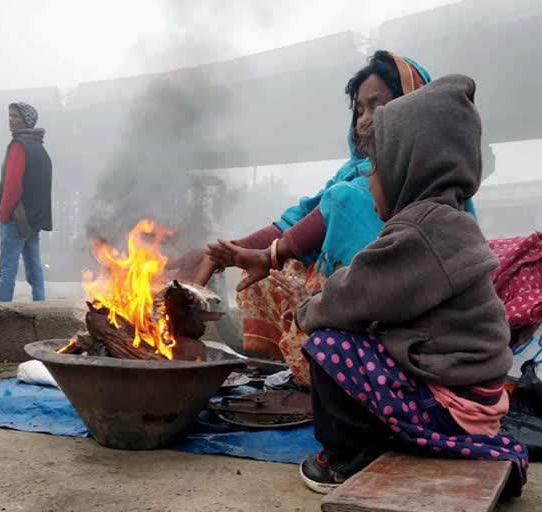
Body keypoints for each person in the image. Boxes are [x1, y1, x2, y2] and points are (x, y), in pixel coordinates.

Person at [270, 75, 527, 495]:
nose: (368, 186)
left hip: (453, 407)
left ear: (409, 169)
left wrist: (305, 308)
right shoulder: (448, 221)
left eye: (376, 172)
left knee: (330, 343)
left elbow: (353, 297)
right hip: (472, 398)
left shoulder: (418, 232)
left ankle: (346, 460)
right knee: (357, 335)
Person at [177, 51, 476, 386]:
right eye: (359, 109)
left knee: (331, 216)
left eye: (377, 105)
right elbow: (299, 220)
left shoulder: (429, 190)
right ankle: (315, 362)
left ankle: (336, 365)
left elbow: (335, 207)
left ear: (411, 109)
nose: (364, 119)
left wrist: (272, 256)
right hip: (359, 299)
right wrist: (224, 255)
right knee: (271, 275)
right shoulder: (351, 174)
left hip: (402, 321)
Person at [0, 102, 52, 302]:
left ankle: (2, 307)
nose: (10, 120)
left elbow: (12, 186)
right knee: (34, 264)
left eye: (15, 116)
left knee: (8, 266)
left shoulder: (18, 146)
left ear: (26, 120)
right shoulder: (40, 149)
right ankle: (40, 303)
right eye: (9, 115)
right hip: (33, 219)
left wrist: (2, 215)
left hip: (15, 218)